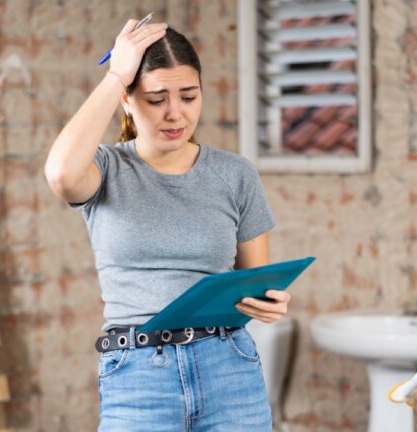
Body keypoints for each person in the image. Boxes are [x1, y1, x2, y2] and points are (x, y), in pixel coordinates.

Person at [44, 18, 291, 431]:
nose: (176, 114)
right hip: (138, 375)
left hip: (229, 366)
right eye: (157, 99)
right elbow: (61, 175)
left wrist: (269, 303)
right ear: (127, 99)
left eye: (189, 97)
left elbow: (254, 283)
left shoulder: (235, 174)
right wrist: (117, 74)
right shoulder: (106, 170)